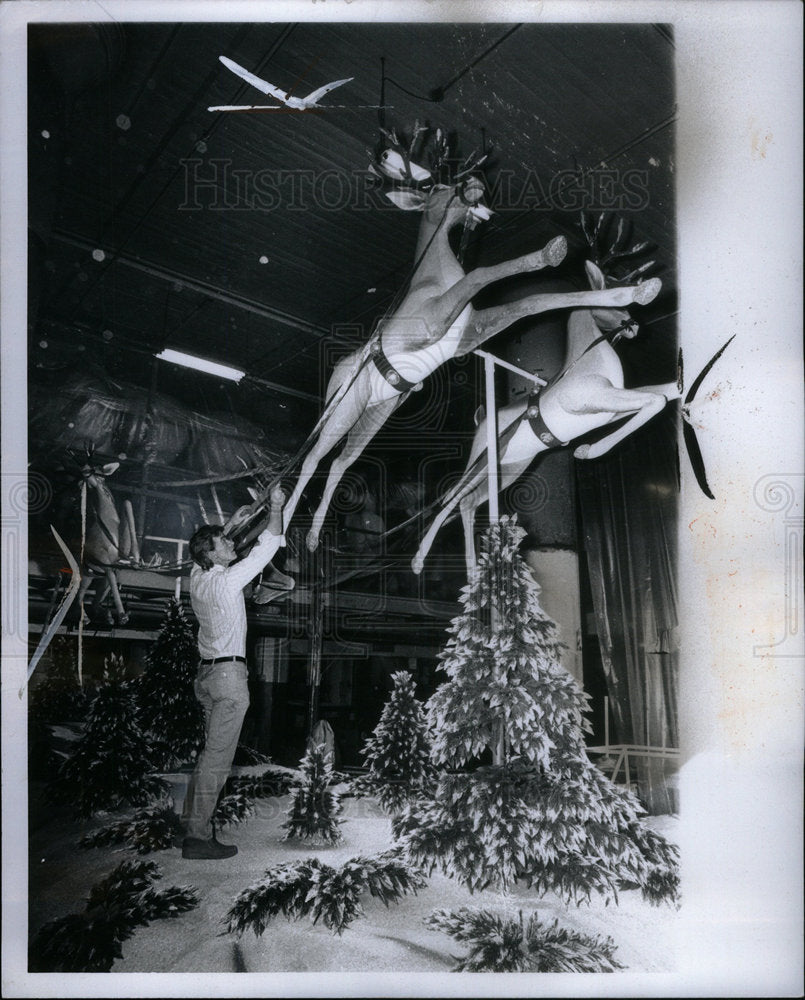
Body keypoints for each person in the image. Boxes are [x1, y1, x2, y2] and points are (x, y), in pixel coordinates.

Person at [180, 485, 286, 860]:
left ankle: (191, 825)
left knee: (209, 754)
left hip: (207, 678)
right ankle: (197, 837)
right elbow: (269, 545)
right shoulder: (226, 582)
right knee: (218, 760)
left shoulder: (198, 579)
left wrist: (230, 524)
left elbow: (204, 554)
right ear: (213, 554)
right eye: (224, 542)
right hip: (228, 680)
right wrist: (275, 506)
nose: (231, 543)